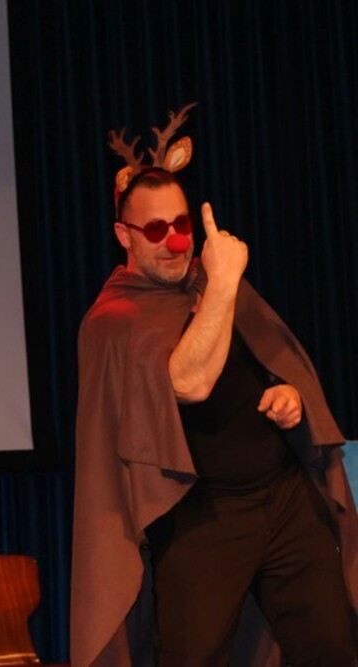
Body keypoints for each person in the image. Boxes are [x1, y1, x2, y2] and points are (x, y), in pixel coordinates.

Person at [72, 108, 358, 667]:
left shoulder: (213, 286)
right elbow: (190, 382)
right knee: (193, 657)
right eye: (156, 230)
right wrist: (223, 282)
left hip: (283, 498)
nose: (176, 243)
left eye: (182, 225)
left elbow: (272, 363)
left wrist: (290, 398)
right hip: (201, 516)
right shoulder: (115, 318)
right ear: (123, 236)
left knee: (331, 645)